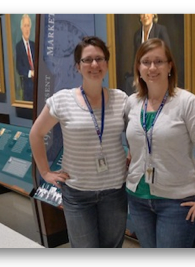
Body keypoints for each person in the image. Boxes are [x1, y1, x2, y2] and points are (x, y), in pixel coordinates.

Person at [29, 36, 128, 248]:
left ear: (107, 64)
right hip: (77, 193)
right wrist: (45, 171)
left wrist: (131, 158)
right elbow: (36, 134)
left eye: (100, 59)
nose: (94, 64)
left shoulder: (121, 99)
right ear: (77, 66)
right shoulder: (62, 100)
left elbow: (138, 134)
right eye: (87, 60)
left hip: (114, 192)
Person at [125, 38, 195, 248]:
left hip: (176, 203)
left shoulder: (188, 102)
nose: (152, 67)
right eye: (146, 62)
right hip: (137, 198)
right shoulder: (132, 103)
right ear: (138, 68)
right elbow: (135, 140)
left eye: (158, 61)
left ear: (169, 66)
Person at [124, 14, 171, 96]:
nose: (145, 16)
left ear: (153, 14)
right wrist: (135, 75)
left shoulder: (161, 30)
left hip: (157, 71)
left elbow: (167, 54)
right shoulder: (137, 34)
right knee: (129, 82)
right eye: (142, 13)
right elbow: (136, 58)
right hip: (142, 72)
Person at [15, 14, 35, 101]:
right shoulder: (18, 46)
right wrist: (31, 73)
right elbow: (19, 68)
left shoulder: (34, 45)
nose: (27, 29)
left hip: (38, 85)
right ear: (21, 28)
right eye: (25, 26)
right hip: (27, 87)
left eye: (28, 26)